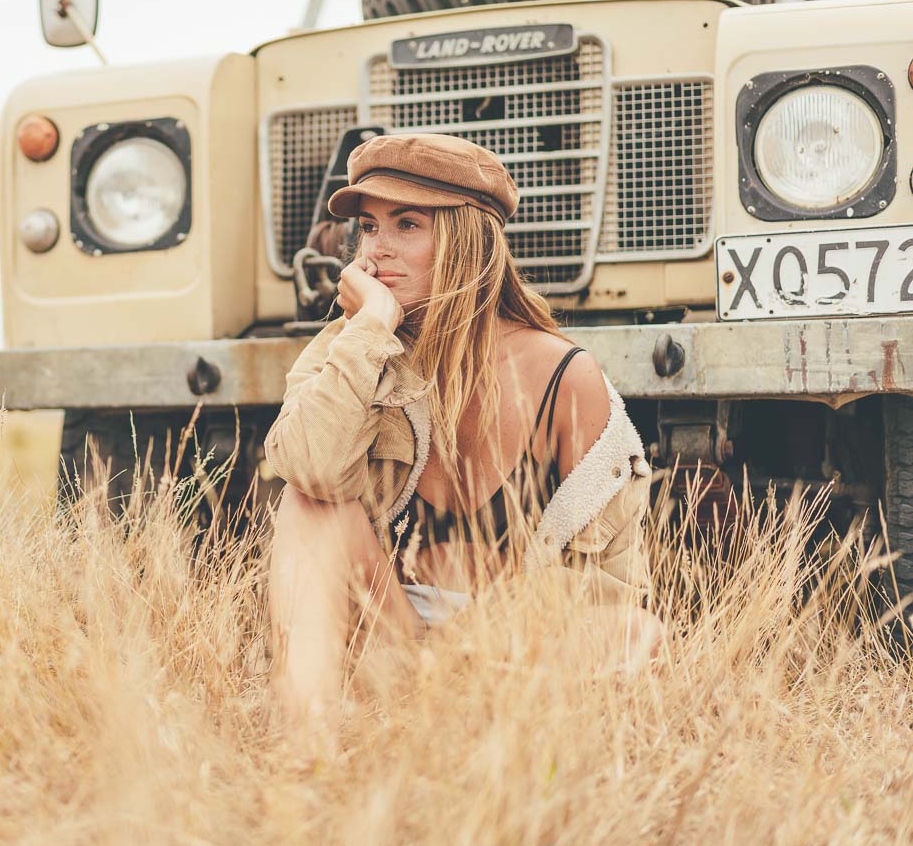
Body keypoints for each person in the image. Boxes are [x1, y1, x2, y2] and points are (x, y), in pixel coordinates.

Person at [263, 132, 662, 749]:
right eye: (368, 227)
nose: (378, 251)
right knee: (308, 504)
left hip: (515, 643)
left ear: (468, 241)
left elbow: (609, 588)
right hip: (388, 633)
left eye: (408, 224)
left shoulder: (564, 376)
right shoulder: (354, 349)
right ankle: (308, 749)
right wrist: (369, 327)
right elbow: (310, 469)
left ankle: (447, 713)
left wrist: (473, 652)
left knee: (637, 634)